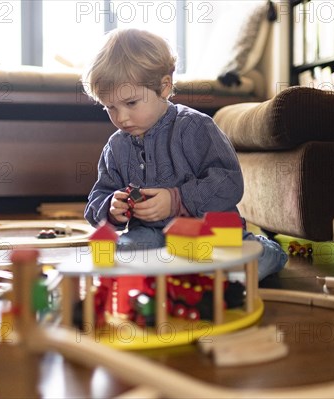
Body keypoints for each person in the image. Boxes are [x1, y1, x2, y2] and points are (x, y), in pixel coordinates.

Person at [83, 28, 287, 280]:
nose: (121, 117)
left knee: (237, 269)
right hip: (150, 234)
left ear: (164, 86)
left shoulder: (195, 127)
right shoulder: (116, 146)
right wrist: (111, 208)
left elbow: (229, 183)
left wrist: (176, 200)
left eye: (131, 103)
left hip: (206, 230)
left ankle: (268, 250)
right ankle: (173, 272)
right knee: (117, 259)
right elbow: (97, 199)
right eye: (110, 107)